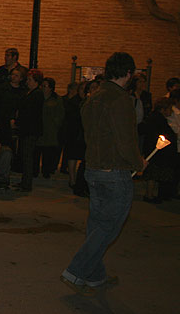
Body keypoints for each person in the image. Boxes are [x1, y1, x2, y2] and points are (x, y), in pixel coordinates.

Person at [61, 52, 146, 296]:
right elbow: (125, 139)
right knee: (110, 226)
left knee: (97, 224)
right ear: (129, 73)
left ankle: (95, 276)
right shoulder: (120, 100)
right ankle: (76, 270)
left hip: (94, 169)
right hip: (114, 171)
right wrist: (138, 163)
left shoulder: (93, 98)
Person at [14, 69, 44, 192]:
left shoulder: (37, 94)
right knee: (25, 156)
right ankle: (24, 181)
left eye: (30, 80)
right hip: (25, 130)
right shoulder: (30, 93)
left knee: (27, 157)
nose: (27, 82)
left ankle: (27, 184)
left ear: (36, 81)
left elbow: (30, 113)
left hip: (30, 130)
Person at [36, 77, 64, 178]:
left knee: (48, 151)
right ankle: (35, 169)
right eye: (42, 86)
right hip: (39, 128)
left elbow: (60, 114)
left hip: (50, 129)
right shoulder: (38, 97)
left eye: (45, 86)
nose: (43, 88)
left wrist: (56, 123)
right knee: (37, 149)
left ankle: (46, 170)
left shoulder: (56, 99)